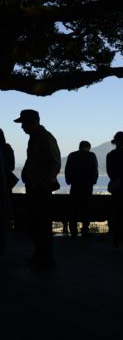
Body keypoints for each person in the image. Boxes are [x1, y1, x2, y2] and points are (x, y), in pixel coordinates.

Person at [14, 109, 61, 271]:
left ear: (32, 122)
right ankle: (40, 254)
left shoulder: (45, 138)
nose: (22, 128)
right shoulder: (35, 139)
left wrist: (40, 181)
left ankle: (46, 259)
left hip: (41, 189)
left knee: (42, 224)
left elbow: (54, 163)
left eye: (23, 124)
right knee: (35, 224)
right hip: (34, 187)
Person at [65, 141, 98, 238]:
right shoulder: (91, 155)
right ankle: (85, 231)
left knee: (73, 209)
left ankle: (73, 231)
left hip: (75, 186)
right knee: (86, 209)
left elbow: (67, 170)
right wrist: (93, 181)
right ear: (88, 147)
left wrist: (69, 181)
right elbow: (94, 170)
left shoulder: (72, 155)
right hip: (87, 186)